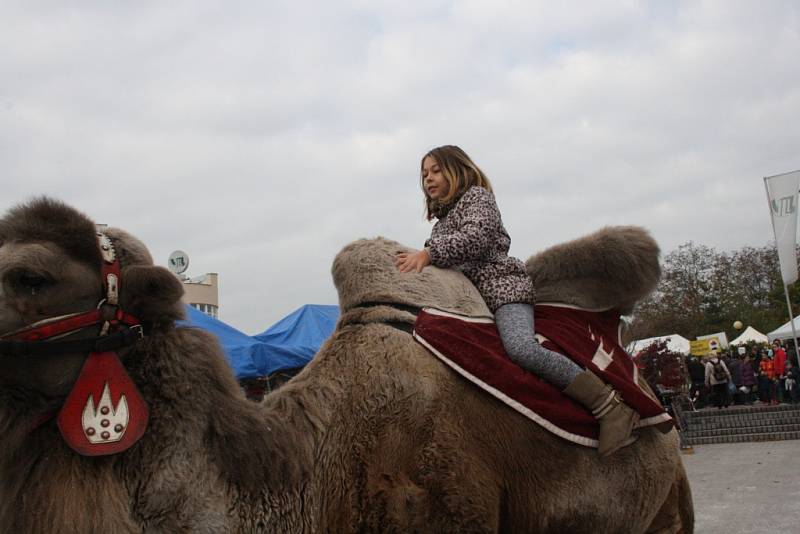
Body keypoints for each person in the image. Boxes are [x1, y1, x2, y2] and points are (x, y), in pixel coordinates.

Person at [395, 145, 637, 456]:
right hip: (471, 305)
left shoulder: (477, 198)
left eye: (436, 170)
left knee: (522, 348)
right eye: (424, 174)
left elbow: (477, 237)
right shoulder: (440, 226)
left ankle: (607, 405)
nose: (428, 178)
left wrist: (429, 254)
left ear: (458, 170)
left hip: (503, 293)